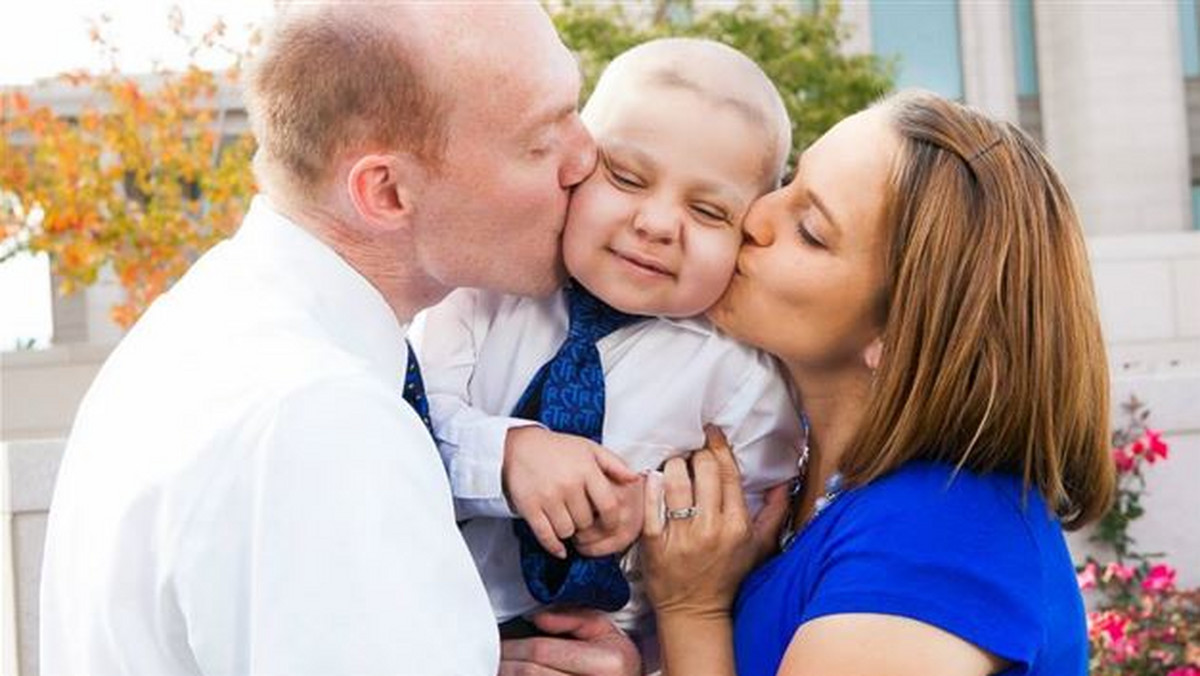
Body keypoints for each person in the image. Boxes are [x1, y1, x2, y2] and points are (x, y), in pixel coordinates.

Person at [37, 3, 624, 674]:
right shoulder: (321, 420)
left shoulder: (201, 333)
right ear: (386, 192)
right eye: (541, 141)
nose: (588, 157)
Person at [632, 90, 1116, 675]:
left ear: (899, 334)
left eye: (809, 229)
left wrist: (693, 610)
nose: (755, 216)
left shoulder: (944, 535)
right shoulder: (809, 474)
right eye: (789, 179)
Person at [414, 37, 799, 655]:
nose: (656, 223)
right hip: (415, 633)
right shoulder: (480, 291)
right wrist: (509, 454)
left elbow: (738, 562)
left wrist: (645, 527)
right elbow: (407, 428)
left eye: (706, 211)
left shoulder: (744, 377)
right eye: (625, 177)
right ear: (574, 164)